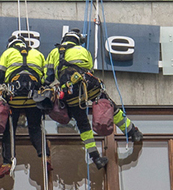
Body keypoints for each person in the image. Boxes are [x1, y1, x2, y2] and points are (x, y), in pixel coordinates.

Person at [44, 28, 143, 170]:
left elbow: (48, 77)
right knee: (108, 105)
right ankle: (132, 132)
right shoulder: (82, 51)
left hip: (68, 92)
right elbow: (90, 69)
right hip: (87, 85)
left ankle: (96, 158)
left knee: (82, 124)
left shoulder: (53, 53)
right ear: (77, 40)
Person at [0, 34, 50, 179]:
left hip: (14, 98)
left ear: (11, 45)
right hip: (33, 98)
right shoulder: (37, 54)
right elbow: (45, 78)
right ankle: (45, 156)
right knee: (35, 128)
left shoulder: (8, 53)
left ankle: (7, 162)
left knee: (9, 131)